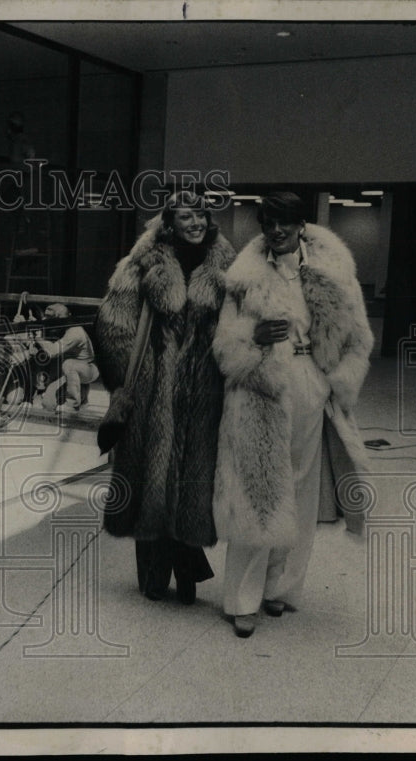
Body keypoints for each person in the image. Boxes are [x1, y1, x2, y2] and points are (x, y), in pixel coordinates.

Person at [211, 192, 373, 638]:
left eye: (285, 222)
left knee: (301, 489)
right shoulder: (243, 277)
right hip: (260, 383)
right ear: (262, 226)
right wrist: (253, 335)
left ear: (301, 224)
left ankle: (280, 588)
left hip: (310, 380)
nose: (277, 230)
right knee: (256, 489)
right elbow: (223, 344)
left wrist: (336, 382)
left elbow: (358, 336)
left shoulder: (333, 269)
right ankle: (242, 600)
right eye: (269, 223)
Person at [95, 191, 237, 604]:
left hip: (204, 389)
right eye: (184, 216)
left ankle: (189, 574)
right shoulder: (142, 262)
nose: (194, 223)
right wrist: (137, 377)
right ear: (169, 222)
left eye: (200, 215)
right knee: (149, 481)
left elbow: (240, 322)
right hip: (153, 390)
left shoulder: (227, 266)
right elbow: (113, 323)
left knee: (193, 480)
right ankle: (153, 574)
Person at [34, 303, 99, 412]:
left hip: (88, 370)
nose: (46, 320)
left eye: (50, 319)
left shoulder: (74, 332)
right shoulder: (64, 328)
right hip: (74, 371)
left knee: (68, 364)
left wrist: (38, 338)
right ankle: (82, 398)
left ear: (58, 319)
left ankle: (72, 404)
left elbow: (52, 351)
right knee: (48, 404)